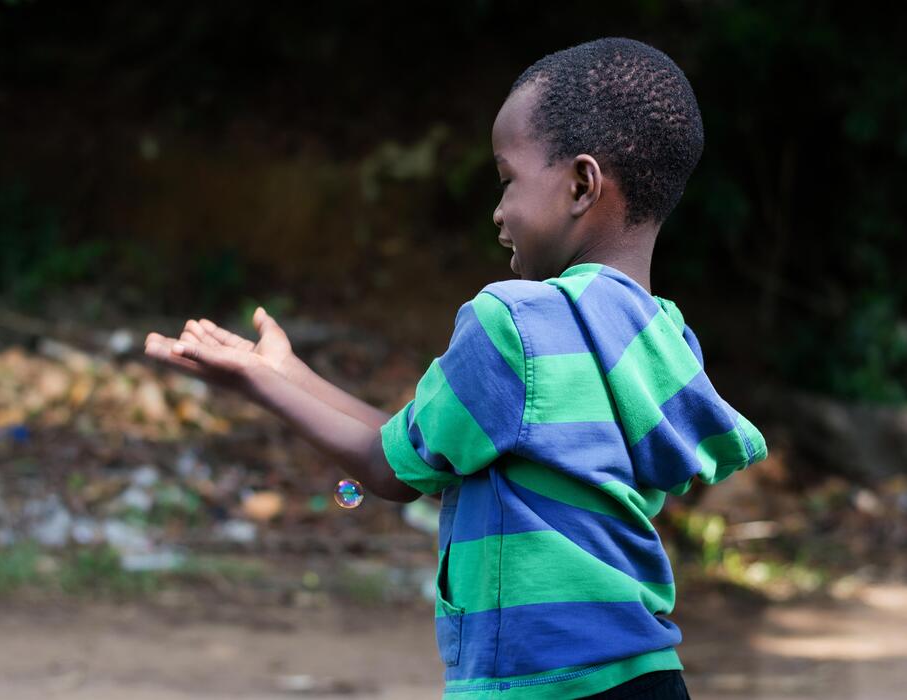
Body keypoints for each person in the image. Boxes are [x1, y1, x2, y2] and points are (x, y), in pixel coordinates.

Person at [144, 37, 766, 699]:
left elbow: (391, 470)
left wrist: (259, 384)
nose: (497, 211)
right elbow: (424, 449)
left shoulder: (515, 323)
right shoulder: (663, 340)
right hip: (646, 676)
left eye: (507, 181)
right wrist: (289, 370)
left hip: (535, 686)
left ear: (581, 185)